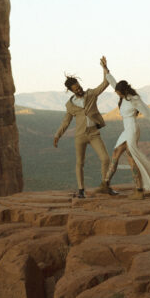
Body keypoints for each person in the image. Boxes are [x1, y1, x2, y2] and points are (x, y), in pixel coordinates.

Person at [101, 56, 150, 197]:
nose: (116, 93)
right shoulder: (122, 97)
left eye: (117, 91)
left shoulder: (134, 99)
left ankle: (109, 184)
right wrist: (105, 68)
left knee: (125, 156)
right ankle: (134, 188)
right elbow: (111, 81)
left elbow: (147, 111)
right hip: (126, 130)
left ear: (122, 91)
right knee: (125, 156)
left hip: (132, 130)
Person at [53, 60, 114, 198]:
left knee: (105, 159)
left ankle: (105, 185)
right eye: (76, 89)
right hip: (80, 136)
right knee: (80, 163)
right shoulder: (69, 105)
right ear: (71, 90)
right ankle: (81, 190)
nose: (79, 89)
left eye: (79, 87)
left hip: (94, 134)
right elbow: (66, 122)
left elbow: (105, 83)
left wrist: (105, 68)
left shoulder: (91, 94)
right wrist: (58, 135)